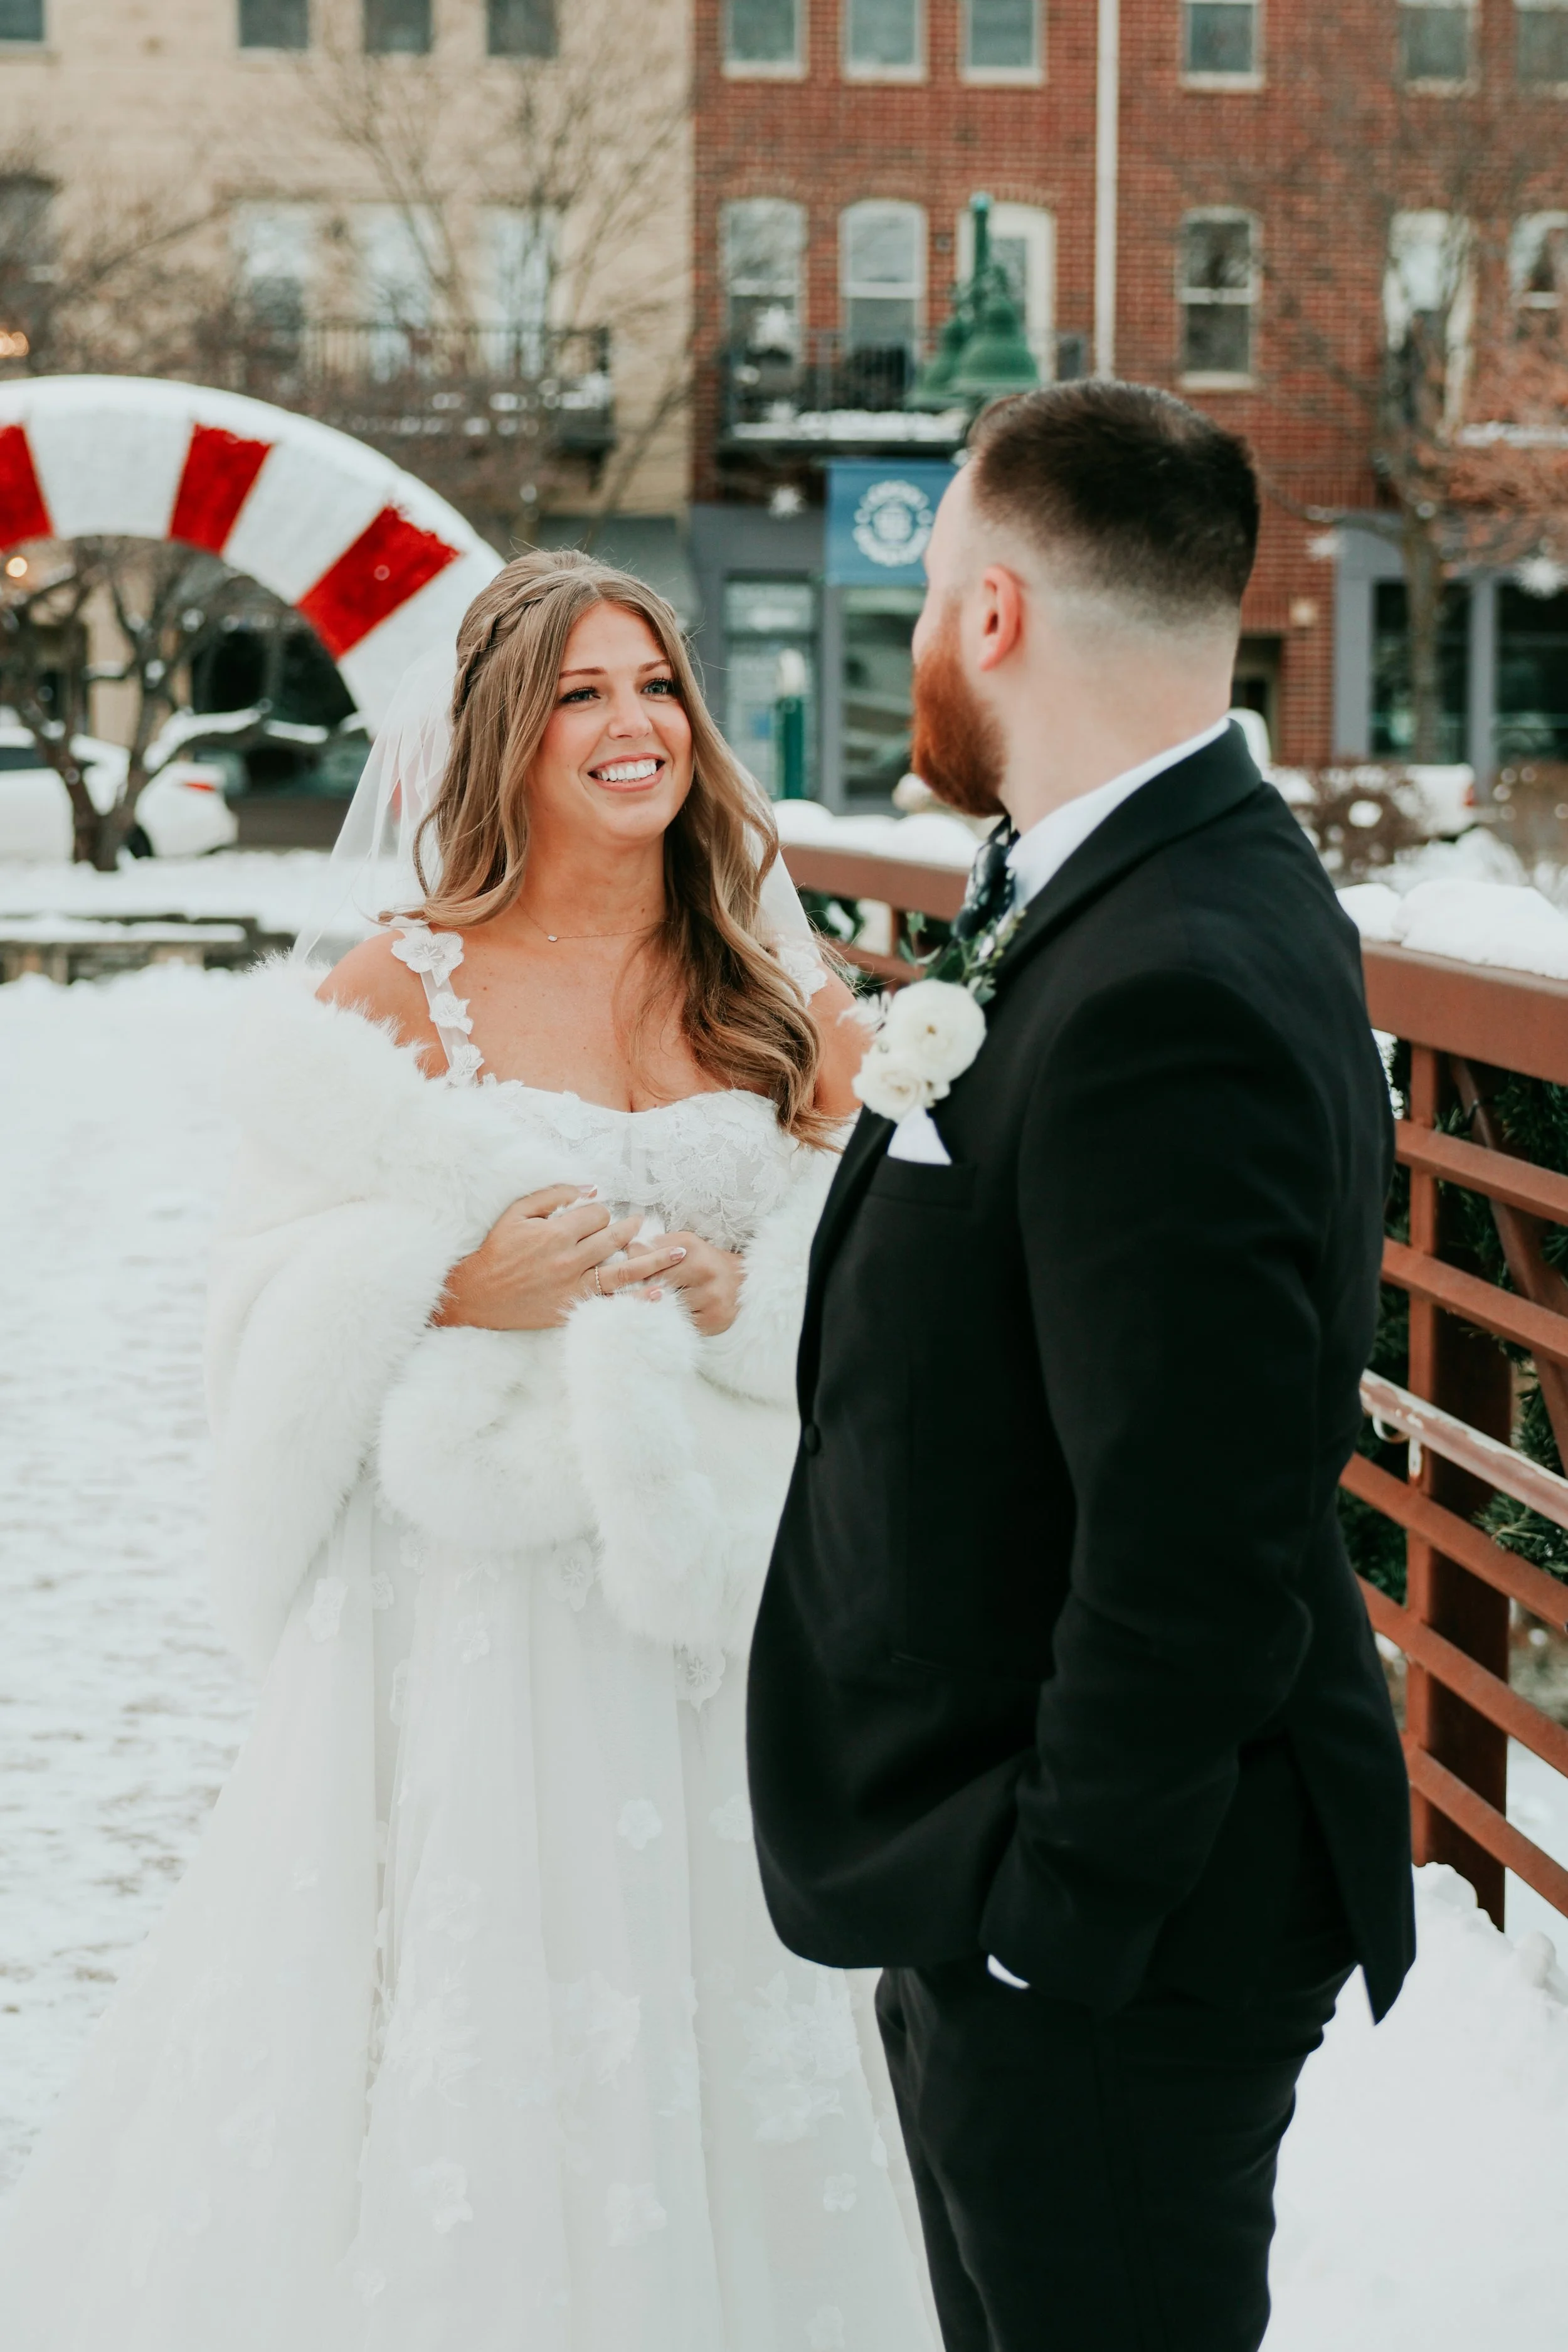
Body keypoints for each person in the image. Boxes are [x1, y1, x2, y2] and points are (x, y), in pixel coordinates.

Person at [0, 550, 938, 2352]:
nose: (632, 724)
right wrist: (443, 1276)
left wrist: (747, 1282)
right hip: (470, 1618)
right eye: (581, 693)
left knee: (715, 2006)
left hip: (710, 1618)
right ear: (505, 737)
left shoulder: (767, 985)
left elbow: (871, 1279)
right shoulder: (393, 990)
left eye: (653, 684)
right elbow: (258, 1302)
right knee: (481, 2012)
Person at [746, 383, 1416, 2352]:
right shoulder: (1133, 879)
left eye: (937, 579)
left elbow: (1191, 1528)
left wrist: (1052, 1922)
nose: (925, 623)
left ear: (999, 613)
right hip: (1019, 1854)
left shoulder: (1168, 979)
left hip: (1116, 1913)